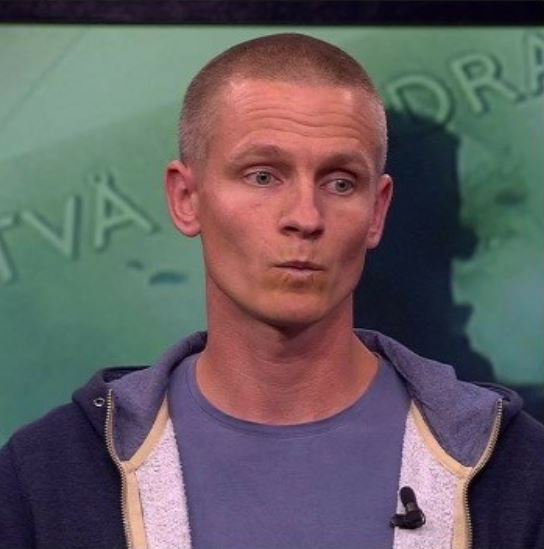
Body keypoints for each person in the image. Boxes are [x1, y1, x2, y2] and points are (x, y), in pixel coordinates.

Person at [1, 33, 543, 549]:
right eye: (263, 176)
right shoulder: (47, 477)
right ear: (186, 198)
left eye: (340, 183)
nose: (305, 217)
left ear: (377, 212)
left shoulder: (518, 472)